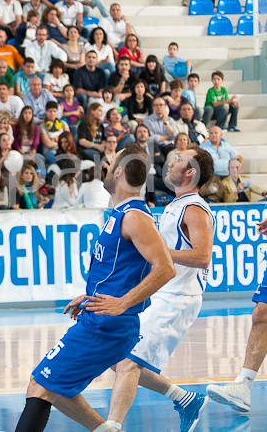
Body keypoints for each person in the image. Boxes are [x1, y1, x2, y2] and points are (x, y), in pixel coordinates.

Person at [13, 143, 174, 432]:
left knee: (41, 384)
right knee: (54, 386)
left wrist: (122, 302)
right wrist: (90, 297)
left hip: (108, 325)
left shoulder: (135, 217)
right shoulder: (122, 214)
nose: (105, 167)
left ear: (120, 172)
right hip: (98, 317)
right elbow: (120, 271)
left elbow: (165, 268)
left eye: (110, 163)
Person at [105, 147, 215, 432]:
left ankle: (112, 427)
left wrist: (161, 253)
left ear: (191, 172)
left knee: (128, 362)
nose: (172, 161)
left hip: (179, 298)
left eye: (180, 160)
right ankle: (185, 399)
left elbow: (203, 256)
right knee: (117, 357)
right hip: (163, 294)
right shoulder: (175, 204)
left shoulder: (194, 208)